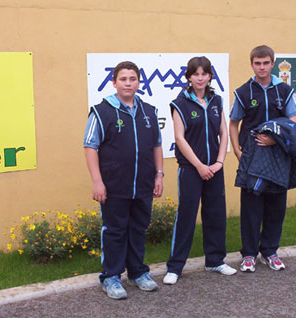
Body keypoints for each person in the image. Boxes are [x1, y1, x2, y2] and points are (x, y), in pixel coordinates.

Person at [83, 61, 164, 299]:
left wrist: (159, 175)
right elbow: (90, 146)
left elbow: (157, 145)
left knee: (138, 229)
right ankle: (110, 276)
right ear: (114, 82)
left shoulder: (149, 111)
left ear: (139, 82)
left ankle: (138, 272)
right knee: (115, 231)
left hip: (143, 184)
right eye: (123, 79)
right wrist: (97, 181)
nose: (128, 83)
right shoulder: (102, 111)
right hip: (114, 185)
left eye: (132, 79)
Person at [163, 56, 236, 285]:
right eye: (196, 74)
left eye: (204, 73)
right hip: (191, 169)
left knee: (215, 215)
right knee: (186, 216)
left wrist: (219, 162)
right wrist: (199, 166)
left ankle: (215, 260)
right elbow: (179, 138)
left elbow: (223, 133)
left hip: (214, 168)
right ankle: (175, 267)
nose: (200, 78)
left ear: (210, 76)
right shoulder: (180, 103)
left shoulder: (216, 101)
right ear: (189, 77)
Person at [229, 45, 296, 273]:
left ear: (273, 64)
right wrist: (238, 151)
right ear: (252, 65)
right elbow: (233, 123)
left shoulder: (284, 90)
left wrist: (277, 141)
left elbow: (295, 122)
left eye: (266, 62)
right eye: (257, 63)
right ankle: (249, 254)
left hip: (278, 157)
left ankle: (269, 251)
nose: (261, 67)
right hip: (252, 158)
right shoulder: (243, 92)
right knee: (251, 206)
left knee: (276, 206)